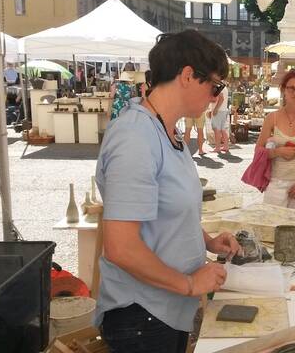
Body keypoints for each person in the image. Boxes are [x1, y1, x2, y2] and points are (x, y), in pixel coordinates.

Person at [94, 29, 240, 352]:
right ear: (188, 76)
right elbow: (121, 247)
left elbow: (169, 208)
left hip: (166, 310)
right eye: (215, 86)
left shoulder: (168, 132)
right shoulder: (135, 137)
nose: (215, 96)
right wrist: (189, 283)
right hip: (141, 316)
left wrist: (208, 240)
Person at [255, 69, 295, 211]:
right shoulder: (272, 118)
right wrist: (277, 152)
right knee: (271, 227)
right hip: (276, 182)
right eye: (291, 88)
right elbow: (258, 150)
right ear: (284, 90)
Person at [210, 86, 230, 152]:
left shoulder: (219, 86)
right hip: (223, 110)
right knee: (222, 129)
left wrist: (216, 109)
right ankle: (226, 146)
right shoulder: (225, 87)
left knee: (217, 130)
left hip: (218, 111)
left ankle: (217, 147)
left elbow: (221, 98)